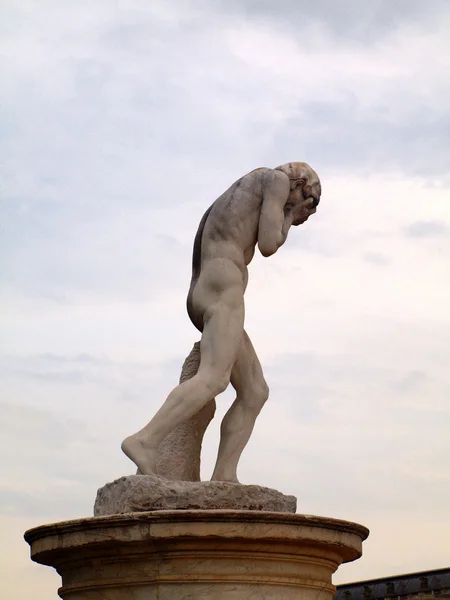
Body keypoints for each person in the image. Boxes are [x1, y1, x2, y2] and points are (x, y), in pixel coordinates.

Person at [122, 162, 321, 482]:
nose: (301, 215)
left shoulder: (246, 187)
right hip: (223, 287)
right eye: (306, 205)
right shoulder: (278, 181)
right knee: (213, 379)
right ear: (302, 189)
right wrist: (288, 217)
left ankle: (224, 474)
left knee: (255, 391)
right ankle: (145, 440)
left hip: (207, 289)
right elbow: (269, 244)